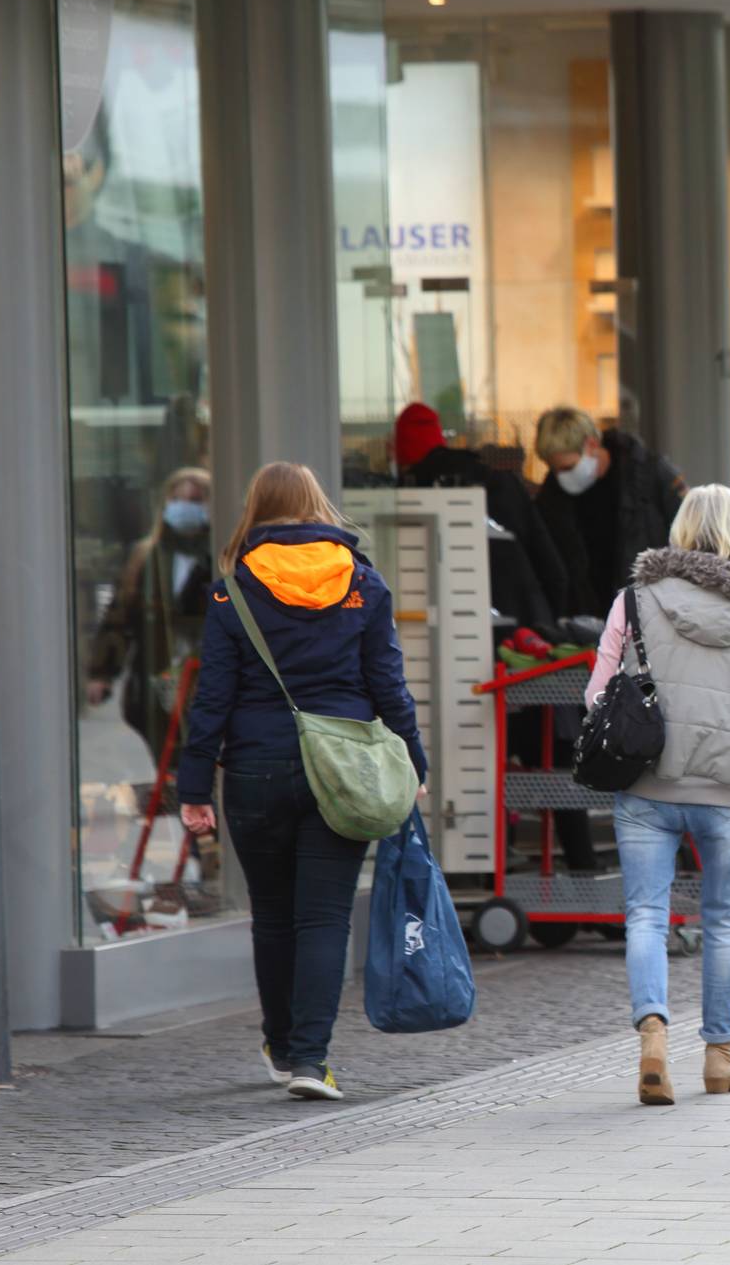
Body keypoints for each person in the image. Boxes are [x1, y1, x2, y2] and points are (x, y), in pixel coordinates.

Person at [177, 463, 428, 1101]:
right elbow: (389, 687)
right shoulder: (362, 584)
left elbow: (211, 700)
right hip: (342, 770)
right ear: (317, 506)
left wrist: (194, 788)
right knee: (324, 919)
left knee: (272, 917)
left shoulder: (231, 591)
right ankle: (311, 1064)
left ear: (256, 511)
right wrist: (414, 766)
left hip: (257, 770)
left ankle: (280, 1044)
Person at [583, 485, 730, 1105]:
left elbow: (597, 695)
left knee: (646, 913)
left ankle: (653, 1037)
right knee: (726, 918)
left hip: (647, 780)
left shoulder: (635, 599)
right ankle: (719, 1057)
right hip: (728, 786)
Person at [397, 403, 598, 873]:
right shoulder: (499, 485)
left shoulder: (405, 492)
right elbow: (554, 568)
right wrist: (549, 628)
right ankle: (582, 867)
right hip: (527, 647)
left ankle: (494, 867)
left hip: (448, 660)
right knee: (552, 756)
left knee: (480, 762)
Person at [396, 402, 569, 630]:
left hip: (448, 631)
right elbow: (551, 567)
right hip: (524, 625)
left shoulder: (409, 496)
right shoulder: (501, 483)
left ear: (404, 455)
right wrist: (552, 623)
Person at [86, 467, 215, 757]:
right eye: (178, 500)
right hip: (153, 676)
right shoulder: (146, 556)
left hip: (204, 674)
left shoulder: (220, 555)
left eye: (195, 500)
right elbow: (119, 616)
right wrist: (102, 671)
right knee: (165, 752)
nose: (185, 508)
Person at [532, 406, 689, 619]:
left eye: (568, 468)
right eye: (554, 469)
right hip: (590, 625)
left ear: (591, 445)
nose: (561, 477)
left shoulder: (649, 475)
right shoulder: (550, 500)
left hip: (652, 616)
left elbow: (693, 536)